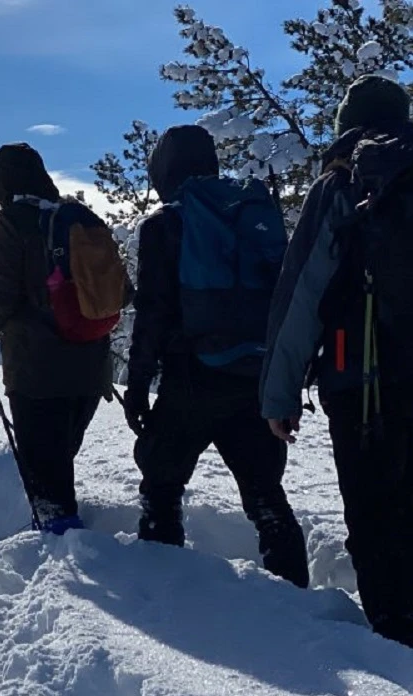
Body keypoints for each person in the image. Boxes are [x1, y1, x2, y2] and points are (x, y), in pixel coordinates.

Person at [263, 75, 413, 652]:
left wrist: (280, 394)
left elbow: (302, 294)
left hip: (362, 373)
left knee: (373, 514)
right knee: (408, 503)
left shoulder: (345, 179)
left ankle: (398, 646)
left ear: (349, 120)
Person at [123, 124, 308, 588]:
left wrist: (139, 383)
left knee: (162, 484)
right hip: (256, 373)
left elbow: (154, 312)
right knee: (266, 494)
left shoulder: (166, 223)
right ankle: (298, 603)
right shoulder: (248, 213)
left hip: (193, 376)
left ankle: (162, 588)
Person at [0, 142, 124, 535]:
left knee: (46, 474)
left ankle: (61, 557)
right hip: (91, 363)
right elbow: (122, 290)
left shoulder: (9, 223)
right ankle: (67, 544)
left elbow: (1, 295)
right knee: (60, 457)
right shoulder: (81, 218)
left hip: (37, 369)